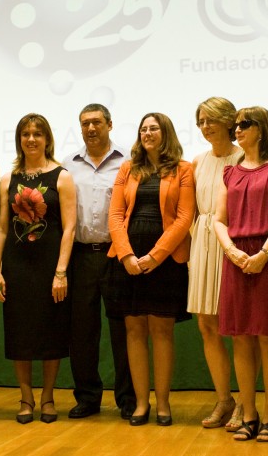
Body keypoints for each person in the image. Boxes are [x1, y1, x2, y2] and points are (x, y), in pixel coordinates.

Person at [108, 112, 196, 427]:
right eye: (144, 129)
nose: (147, 133)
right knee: (133, 330)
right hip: (127, 260)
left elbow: (185, 217)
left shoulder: (184, 169)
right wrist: (127, 256)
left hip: (166, 260)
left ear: (166, 133)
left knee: (161, 330)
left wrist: (154, 257)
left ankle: (163, 403)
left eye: (154, 128)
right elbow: (115, 215)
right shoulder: (127, 168)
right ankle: (141, 403)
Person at [213, 106, 268, 442]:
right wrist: (231, 251)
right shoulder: (230, 173)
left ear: (261, 129)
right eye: (235, 126)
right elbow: (218, 219)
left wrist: (263, 254)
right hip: (236, 258)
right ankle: (248, 413)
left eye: (244, 124)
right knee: (241, 338)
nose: (237, 130)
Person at [0, 114, 76, 424]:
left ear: (47, 138)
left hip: (50, 266)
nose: (31, 138)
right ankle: (26, 398)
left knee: (51, 332)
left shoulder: (62, 177)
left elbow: (70, 228)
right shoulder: (7, 179)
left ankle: (48, 397)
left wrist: (61, 271)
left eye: (37, 133)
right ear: (19, 139)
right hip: (17, 267)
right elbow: (1, 228)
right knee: (20, 334)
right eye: (25, 133)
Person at [61, 104, 135, 419]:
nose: (91, 128)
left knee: (123, 330)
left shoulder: (129, 161)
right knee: (82, 332)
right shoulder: (68, 164)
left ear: (109, 124)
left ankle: (129, 400)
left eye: (97, 122)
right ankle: (88, 397)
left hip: (116, 254)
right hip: (79, 255)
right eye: (85, 123)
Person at [188, 97, 245, 430]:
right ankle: (225, 399)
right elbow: (192, 211)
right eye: (201, 121)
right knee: (207, 325)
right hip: (203, 242)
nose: (206, 127)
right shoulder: (197, 161)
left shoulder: (244, 158)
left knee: (236, 327)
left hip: (235, 242)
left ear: (228, 121)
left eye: (211, 120)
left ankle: (246, 401)